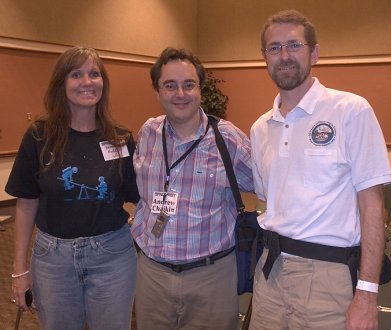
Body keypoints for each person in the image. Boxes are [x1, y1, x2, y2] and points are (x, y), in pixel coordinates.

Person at [250, 9, 391, 330]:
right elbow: (264, 203)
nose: (283, 56)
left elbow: (373, 207)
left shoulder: (350, 110)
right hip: (270, 273)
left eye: (294, 45)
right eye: (274, 48)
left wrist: (367, 294)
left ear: (314, 52)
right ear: (264, 57)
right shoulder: (260, 128)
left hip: (328, 278)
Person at [6, 46, 139, 330]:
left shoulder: (120, 139)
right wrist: (20, 270)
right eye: (76, 74)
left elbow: (140, 197)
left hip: (112, 257)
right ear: (61, 83)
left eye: (94, 74)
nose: (87, 81)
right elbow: (26, 203)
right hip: (53, 259)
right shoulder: (39, 136)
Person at [131, 47, 254, 329]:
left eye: (189, 85)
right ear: (157, 91)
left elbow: (270, 186)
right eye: (170, 86)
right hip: (153, 274)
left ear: (200, 88)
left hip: (211, 277)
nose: (180, 94)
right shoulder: (148, 133)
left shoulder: (228, 139)